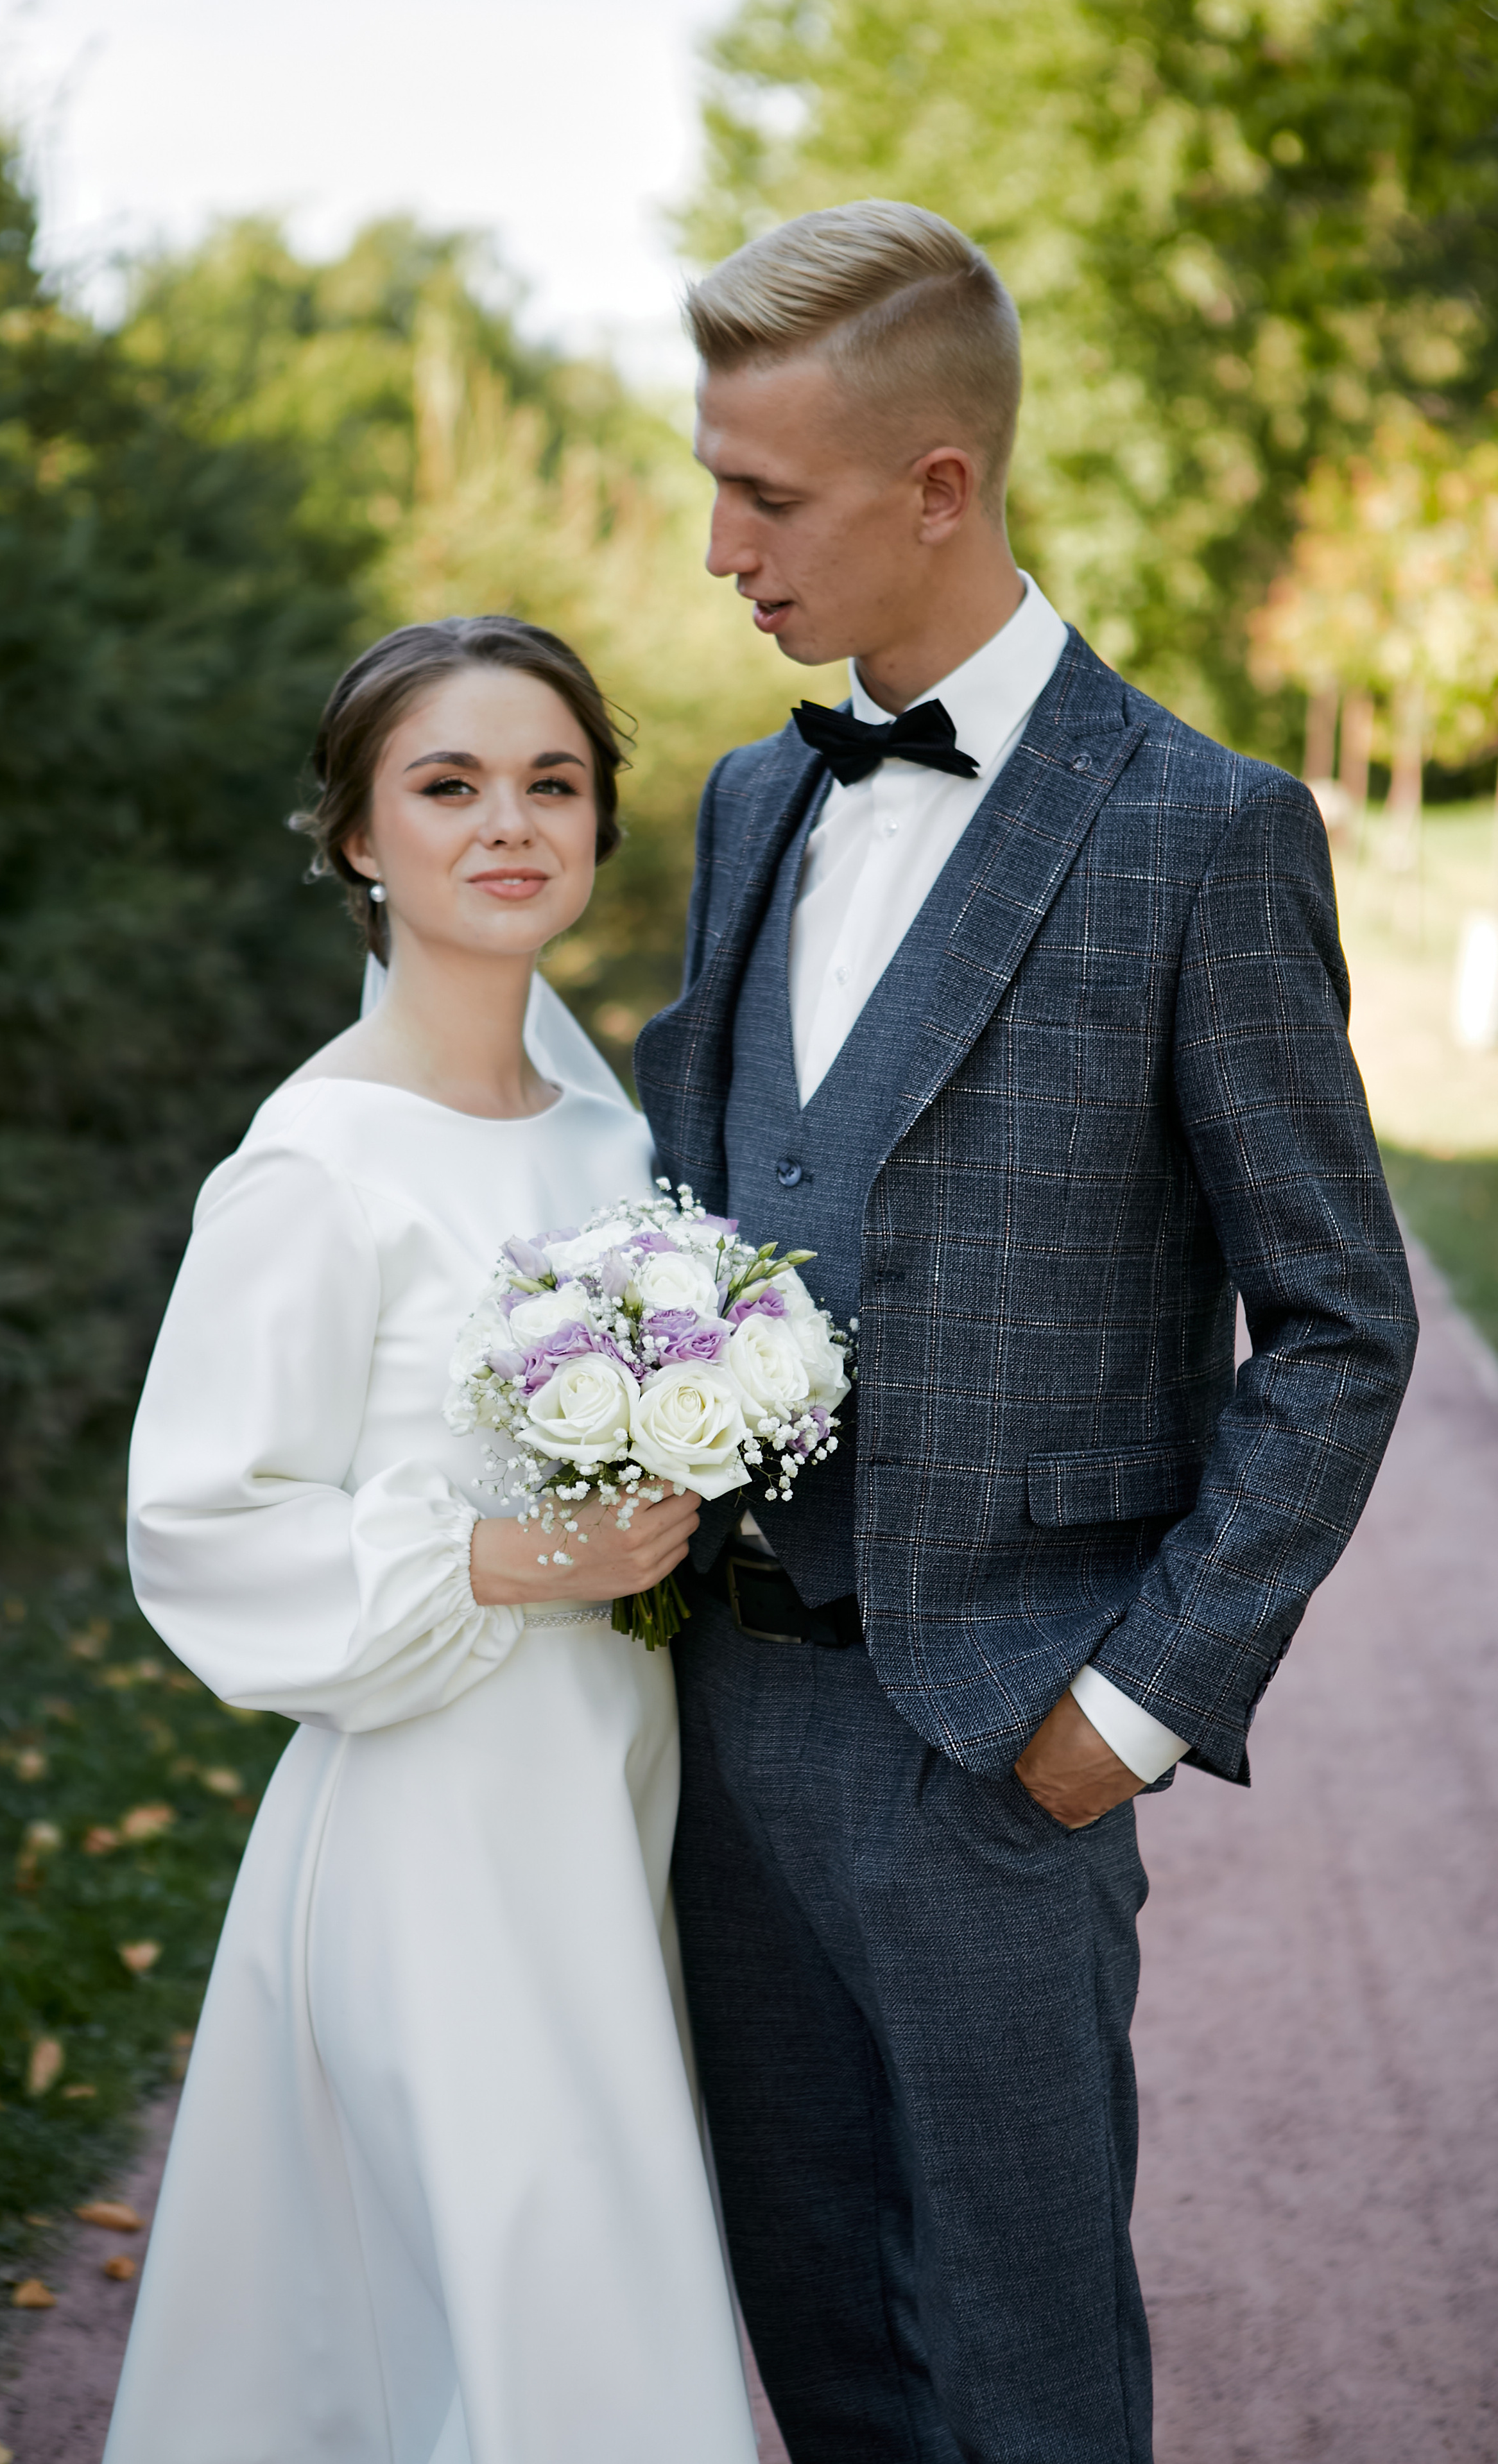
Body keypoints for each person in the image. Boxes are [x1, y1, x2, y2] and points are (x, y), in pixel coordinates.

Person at [635, 202, 1418, 2464]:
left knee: (1026, 2359)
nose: (720, 550)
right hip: (728, 1728)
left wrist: (1132, 1708)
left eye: (763, 495)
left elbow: (1343, 1327)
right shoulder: (753, 798)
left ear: (940, 486)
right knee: (821, 2333)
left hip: (1004, 1744)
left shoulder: (1201, 834)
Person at [103, 617, 759, 2464]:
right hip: (431, 1830)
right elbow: (200, 1521)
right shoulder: (319, 1164)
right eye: (448, 786)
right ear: (359, 839)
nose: (509, 824)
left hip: (610, 1791)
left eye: (553, 784)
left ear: (601, 828)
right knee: (533, 2304)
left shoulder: (618, 1148)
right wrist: (506, 1560)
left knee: (583, 2272)